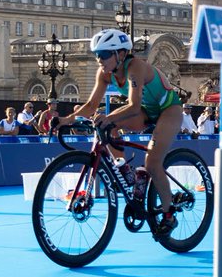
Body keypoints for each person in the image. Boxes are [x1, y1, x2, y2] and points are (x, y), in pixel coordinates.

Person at [57, 29, 184, 236]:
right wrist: (64, 120)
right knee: (110, 126)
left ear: (121, 54)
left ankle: (169, 214)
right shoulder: (104, 73)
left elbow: (133, 106)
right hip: (145, 111)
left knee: (152, 163)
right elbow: (90, 105)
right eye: (97, 54)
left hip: (168, 110)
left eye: (105, 54)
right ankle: (128, 173)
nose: (100, 59)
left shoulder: (136, 67)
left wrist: (107, 117)